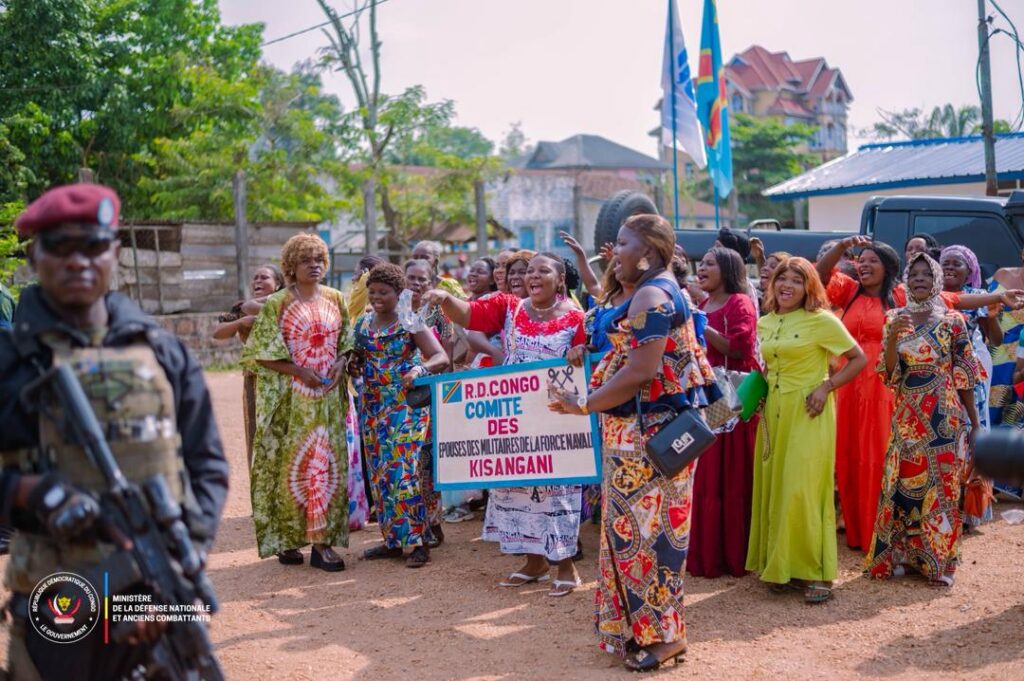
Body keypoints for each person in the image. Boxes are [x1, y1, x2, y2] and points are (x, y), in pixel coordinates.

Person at [0, 183, 228, 679]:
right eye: (60, 247)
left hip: (161, 590)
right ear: (33, 255)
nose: (78, 260)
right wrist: (26, 491)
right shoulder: (9, 362)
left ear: (116, 253)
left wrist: (175, 567)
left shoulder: (163, 353)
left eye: (94, 246)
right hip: (61, 599)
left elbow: (207, 466)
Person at [548, 214, 715, 670]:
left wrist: (585, 404)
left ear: (647, 252)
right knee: (628, 534)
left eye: (621, 243)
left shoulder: (653, 293)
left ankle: (666, 637)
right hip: (634, 435)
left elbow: (642, 370)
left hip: (651, 439)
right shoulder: (650, 288)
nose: (612, 249)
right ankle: (637, 629)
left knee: (653, 536)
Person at [424, 253, 586, 597]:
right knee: (515, 489)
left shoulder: (577, 317)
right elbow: (470, 315)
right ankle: (534, 562)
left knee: (557, 493)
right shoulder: (510, 307)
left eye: (544, 270)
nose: (533, 276)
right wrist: (444, 298)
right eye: (529, 271)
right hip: (513, 420)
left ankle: (565, 566)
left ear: (560, 280)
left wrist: (581, 349)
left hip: (556, 420)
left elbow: (588, 359)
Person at [748, 256, 866, 604]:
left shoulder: (822, 321)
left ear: (809, 287)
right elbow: (768, 369)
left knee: (803, 487)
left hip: (809, 411)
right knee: (777, 485)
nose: (787, 285)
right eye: (781, 278)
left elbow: (858, 358)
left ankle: (816, 572)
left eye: (796, 280)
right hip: (773, 411)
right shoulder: (766, 322)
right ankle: (781, 567)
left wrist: (826, 387)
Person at [867, 253, 981, 586]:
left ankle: (941, 563)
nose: (919, 279)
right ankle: (904, 556)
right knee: (903, 486)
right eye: (913, 273)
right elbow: (888, 375)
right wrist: (892, 340)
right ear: (906, 279)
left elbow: (966, 376)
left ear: (936, 280)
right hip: (906, 414)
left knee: (942, 487)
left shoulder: (953, 321)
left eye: (926, 274)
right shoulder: (893, 318)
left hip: (943, 415)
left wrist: (974, 424)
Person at [242, 234, 350, 571]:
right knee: (290, 469)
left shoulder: (337, 298)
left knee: (326, 467)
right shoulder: (278, 303)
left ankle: (323, 544)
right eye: (306, 260)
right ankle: (288, 540)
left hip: (328, 400)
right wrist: (298, 371)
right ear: (291, 266)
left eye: (319, 259)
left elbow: (347, 342)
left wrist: (341, 362)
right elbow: (259, 354)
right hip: (292, 403)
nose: (314, 265)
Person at [353, 263, 449, 567]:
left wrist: (420, 368)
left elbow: (441, 357)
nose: (377, 297)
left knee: (403, 472)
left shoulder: (409, 321)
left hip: (405, 406)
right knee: (380, 474)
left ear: (399, 294)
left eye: (384, 292)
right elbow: (356, 356)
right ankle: (392, 541)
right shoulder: (363, 324)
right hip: (373, 406)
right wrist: (354, 363)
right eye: (373, 292)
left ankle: (420, 542)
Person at [688, 248, 760, 578]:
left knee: (731, 478)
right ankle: (707, 553)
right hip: (706, 396)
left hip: (732, 398)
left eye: (708, 264)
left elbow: (738, 348)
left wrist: (699, 323)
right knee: (707, 477)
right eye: (700, 263)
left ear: (728, 269)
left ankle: (734, 555)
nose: (701, 268)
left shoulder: (739, 302)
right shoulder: (702, 305)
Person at [941, 245, 999, 527]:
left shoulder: (979, 297)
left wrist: (992, 313)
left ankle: (971, 508)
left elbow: (996, 339)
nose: (950, 268)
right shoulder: (932, 296)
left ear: (970, 271)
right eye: (945, 263)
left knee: (974, 428)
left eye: (957, 264)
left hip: (974, 368)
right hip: (941, 368)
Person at [213, 265, 285, 474]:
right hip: (254, 382)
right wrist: (242, 322)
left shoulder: (285, 304)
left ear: (278, 284)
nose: (257, 282)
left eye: (264, 278)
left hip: (282, 379)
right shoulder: (243, 308)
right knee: (256, 437)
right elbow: (218, 333)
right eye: (255, 278)